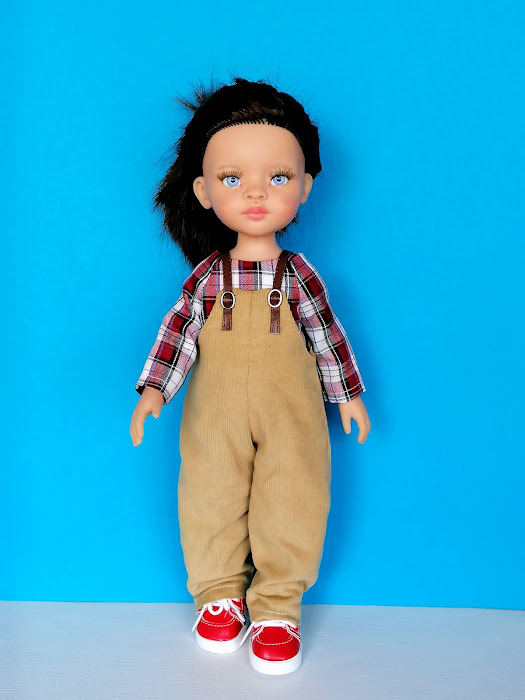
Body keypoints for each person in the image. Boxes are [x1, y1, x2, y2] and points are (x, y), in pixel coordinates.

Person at [130, 77, 371, 676]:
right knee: (208, 491)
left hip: (293, 413)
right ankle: (218, 595)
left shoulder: (300, 276)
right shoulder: (208, 277)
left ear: (306, 186)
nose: (257, 192)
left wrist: (347, 396)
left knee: (294, 493)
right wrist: (155, 390)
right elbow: (179, 332)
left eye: (279, 177)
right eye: (233, 178)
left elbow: (326, 336)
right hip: (214, 414)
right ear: (204, 191)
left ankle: (278, 607)